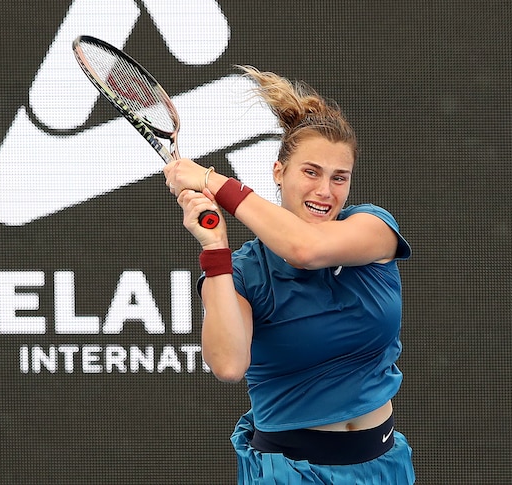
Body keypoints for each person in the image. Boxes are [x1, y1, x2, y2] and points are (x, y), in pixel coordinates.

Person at [163, 67, 415, 484]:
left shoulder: (373, 228)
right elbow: (228, 364)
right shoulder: (242, 271)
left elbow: (306, 249)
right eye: (310, 172)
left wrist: (211, 180)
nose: (325, 191)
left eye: (339, 178)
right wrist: (215, 250)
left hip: (383, 466)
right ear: (278, 172)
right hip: (289, 473)